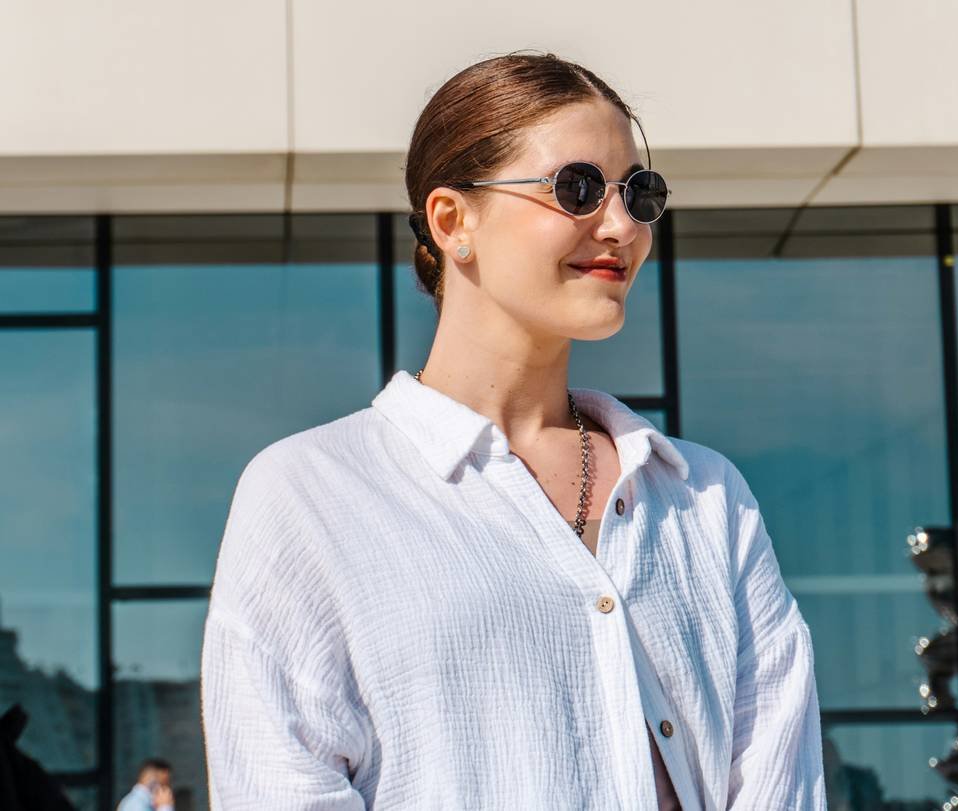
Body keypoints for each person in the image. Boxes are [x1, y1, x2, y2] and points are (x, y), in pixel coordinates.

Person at [200, 50, 825, 809]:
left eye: (641, 193)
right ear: (452, 220)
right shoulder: (312, 493)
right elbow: (283, 786)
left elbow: (778, 782)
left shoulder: (706, 498)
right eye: (579, 189)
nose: (623, 226)